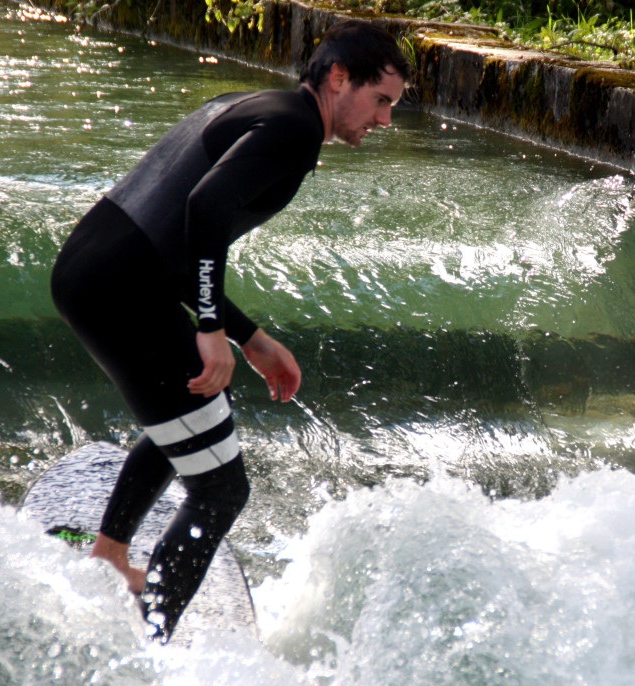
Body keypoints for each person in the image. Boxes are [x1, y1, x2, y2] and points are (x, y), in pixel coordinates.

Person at [50, 20, 411, 642]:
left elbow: (176, 240)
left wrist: (250, 337)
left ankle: (110, 556)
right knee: (220, 490)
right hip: (123, 291)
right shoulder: (296, 131)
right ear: (338, 78)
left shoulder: (251, 106)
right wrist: (212, 329)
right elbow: (205, 212)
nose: (383, 121)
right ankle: (153, 640)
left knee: (194, 408)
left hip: (94, 269)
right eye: (381, 101)